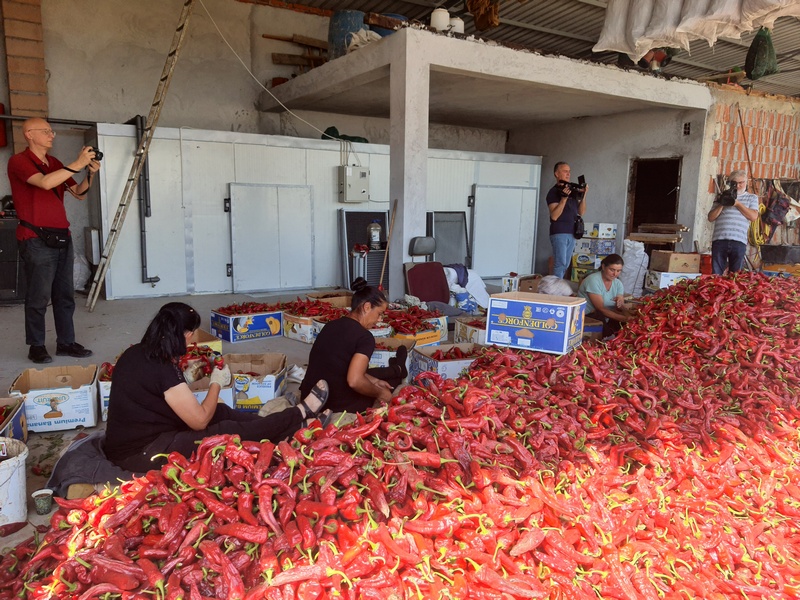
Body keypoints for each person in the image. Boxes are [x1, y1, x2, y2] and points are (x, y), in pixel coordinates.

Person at [104, 302, 329, 473]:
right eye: (191, 336)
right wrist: (215, 384)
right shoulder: (163, 368)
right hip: (141, 452)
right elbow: (199, 421)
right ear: (187, 334)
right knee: (223, 431)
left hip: (143, 435)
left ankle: (292, 428)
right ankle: (298, 415)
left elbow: (154, 390)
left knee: (221, 413)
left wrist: (187, 378)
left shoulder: (136, 353)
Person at [7, 118, 100, 364]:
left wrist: (89, 174)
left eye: (52, 131)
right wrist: (77, 163)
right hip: (35, 238)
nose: (52, 135)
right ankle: (36, 345)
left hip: (61, 236)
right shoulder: (19, 161)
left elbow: (78, 193)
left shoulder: (55, 163)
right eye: (46, 131)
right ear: (29, 134)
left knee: (64, 295)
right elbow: (45, 182)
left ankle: (66, 342)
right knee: (38, 297)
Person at [300, 278, 407, 415]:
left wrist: (375, 382)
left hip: (310, 398)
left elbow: (338, 366)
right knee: (392, 383)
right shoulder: (365, 337)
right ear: (367, 307)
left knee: (372, 377)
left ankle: (397, 368)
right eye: (379, 314)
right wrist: (381, 393)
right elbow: (354, 381)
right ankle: (398, 369)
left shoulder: (330, 326)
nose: (379, 320)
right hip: (334, 405)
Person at [707, 170, 760, 275]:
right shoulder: (720, 197)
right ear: (730, 183)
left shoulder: (751, 197)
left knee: (736, 275)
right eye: (735, 183)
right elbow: (711, 217)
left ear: (746, 182)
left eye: (741, 183)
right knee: (716, 274)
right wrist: (723, 203)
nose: (738, 186)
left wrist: (737, 204)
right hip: (719, 239)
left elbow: (753, 216)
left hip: (739, 240)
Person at [545, 162, 588, 279]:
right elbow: (554, 216)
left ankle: (558, 286)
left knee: (566, 264)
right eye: (565, 171)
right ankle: (556, 290)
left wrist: (584, 195)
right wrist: (563, 199)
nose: (568, 174)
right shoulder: (553, 192)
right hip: (559, 232)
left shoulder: (571, 191)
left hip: (572, 231)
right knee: (560, 263)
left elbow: (581, 212)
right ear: (556, 174)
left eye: (569, 171)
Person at [578, 254, 630, 337]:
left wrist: (620, 304)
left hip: (606, 316)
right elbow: (600, 308)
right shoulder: (593, 280)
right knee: (601, 317)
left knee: (625, 328)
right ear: (603, 267)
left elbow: (619, 306)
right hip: (587, 316)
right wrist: (625, 319)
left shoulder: (618, 284)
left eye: (618, 271)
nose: (615, 274)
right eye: (612, 270)